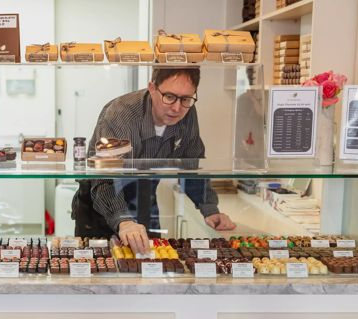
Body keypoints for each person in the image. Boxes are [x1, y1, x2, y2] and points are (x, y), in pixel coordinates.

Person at [71, 68, 236, 255]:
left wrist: (209, 209)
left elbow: (191, 164)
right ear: (152, 88)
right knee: (102, 274)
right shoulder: (121, 113)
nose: (176, 108)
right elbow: (105, 179)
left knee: (150, 271)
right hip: (100, 208)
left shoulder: (186, 112)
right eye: (169, 96)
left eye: (186, 99)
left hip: (144, 202)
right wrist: (124, 220)